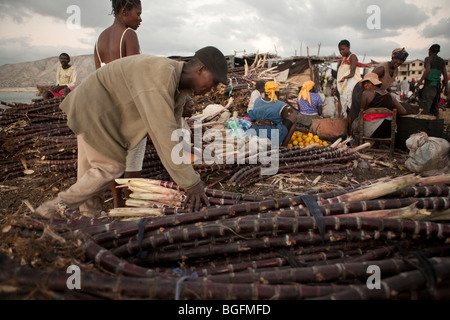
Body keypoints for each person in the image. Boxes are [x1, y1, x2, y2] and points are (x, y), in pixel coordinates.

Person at [34, 46, 229, 218]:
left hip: (93, 108)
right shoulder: (161, 75)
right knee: (110, 166)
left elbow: (174, 134)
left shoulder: (178, 87)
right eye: (213, 82)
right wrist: (192, 183)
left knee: (92, 173)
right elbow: (163, 134)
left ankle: (89, 216)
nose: (212, 89)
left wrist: (187, 165)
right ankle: (48, 212)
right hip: (94, 109)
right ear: (201, 69)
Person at [94, 0, 144, 208]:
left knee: (115, 156)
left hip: (107, 106)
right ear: (124, 11)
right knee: (133, 156)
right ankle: (131, 201)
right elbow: (136, 76)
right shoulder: (128, 35)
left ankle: (117, 202)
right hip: (128, 106)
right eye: (137, 14)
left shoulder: (100, 39)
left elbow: (99, 78)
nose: (140, 19)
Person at [348, 48, 409, 136]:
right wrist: (367, 95)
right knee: (356, 113)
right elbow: (369, 80)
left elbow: (384, 84)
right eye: (397, 59)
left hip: (374, 92)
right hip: (363, 88)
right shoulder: (382, 68)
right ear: (392, 58)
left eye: (401, 60)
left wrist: (389, 91)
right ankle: (351, 135)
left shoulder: (396, 70)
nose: (399, 62)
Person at [355, 73, 407, 139]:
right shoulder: (390, 96)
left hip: (371, 131)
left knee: (356, 123)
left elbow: (362, 111)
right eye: (364, 83)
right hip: (389, 132)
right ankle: (376, 145)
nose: (365, 85)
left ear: (375, 83)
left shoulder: (365, 94)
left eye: (368, 83)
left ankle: (357, 144)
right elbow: (403, 112)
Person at [248, 81, 298, 147]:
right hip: (270, 135)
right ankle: (284, 146)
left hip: (255, 132)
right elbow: (284, 120)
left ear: (265, 91)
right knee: (293, 118)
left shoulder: (257, 101)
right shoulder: (281, 105)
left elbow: (253, 118)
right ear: (277, 92)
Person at [417, 44, 449, 116]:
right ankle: (435, 124)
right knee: (435, 107)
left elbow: (427, 70)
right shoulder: (441, 61)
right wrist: (446, 88)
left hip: (430, 85)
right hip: (437, 86)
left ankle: (424, 125)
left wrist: (419, 82)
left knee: (425, 108)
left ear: (430, 50)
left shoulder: (428, 58)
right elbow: (445, 75)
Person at [337, 40, 362, 119]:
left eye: (343, 49)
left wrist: (345, 78)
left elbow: (352, 73)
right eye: (340, 50)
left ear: (348, 48)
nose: (341, 51)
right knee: (346, 108)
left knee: (350, 106)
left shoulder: (353, 56)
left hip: (352, 84)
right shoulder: (344, 59)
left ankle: (351, 127)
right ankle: (348, 126)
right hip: (345, 84)